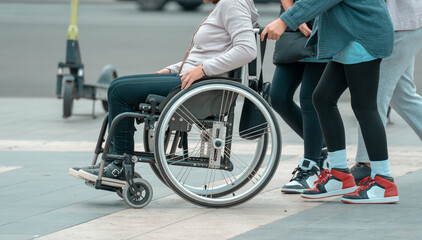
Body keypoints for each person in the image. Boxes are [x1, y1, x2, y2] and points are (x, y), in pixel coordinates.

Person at [69, 0, 258, 186]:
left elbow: (247, 50)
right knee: (118, 85)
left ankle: (119, 164)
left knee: (119, 91)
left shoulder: (231, 3)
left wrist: (204, 69)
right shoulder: (224, 5)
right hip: (191, 80)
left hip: (198, 88)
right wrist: (172, 69)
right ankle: (113, 162)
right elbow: (206, 53)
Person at [261, 0, 398, 204]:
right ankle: (339, 175)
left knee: (364, 107)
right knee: (322, 99)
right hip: (348, 36)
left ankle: (384, 182)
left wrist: (284, 21)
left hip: (362, 36)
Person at [351, 0, 422, 184]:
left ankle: (367, 162)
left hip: (399, 25)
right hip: (405, 23)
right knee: (403, 95)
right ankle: (366, 161)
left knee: (372, 96)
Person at [271, 0, 327, 194]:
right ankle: (326, 150)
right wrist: (296, 18)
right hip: (293, 23)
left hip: (323, 23)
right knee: (278, 97)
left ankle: (310, 166)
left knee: (309, 99)